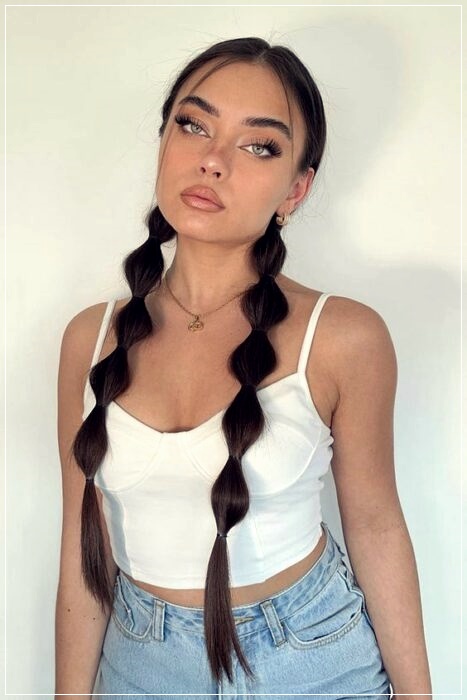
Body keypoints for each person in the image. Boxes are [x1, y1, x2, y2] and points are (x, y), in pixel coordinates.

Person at [54, 36, 432, 698]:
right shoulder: (89, 339)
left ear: (296, 190)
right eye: (193, 125)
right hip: (140, 665)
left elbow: (376, 525)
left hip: (312, 659)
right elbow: (82, 553)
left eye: (259, 146)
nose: (213, 160)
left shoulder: (343, 337)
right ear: (164, 141)